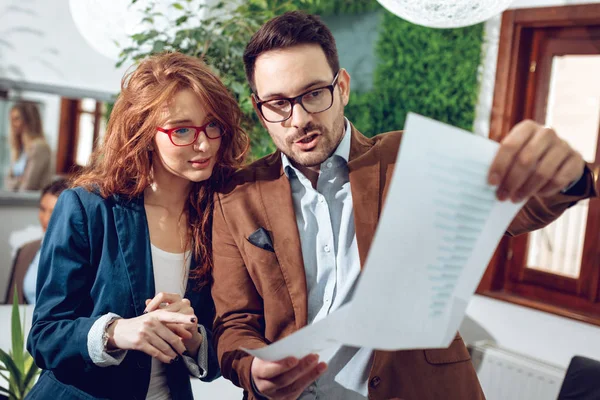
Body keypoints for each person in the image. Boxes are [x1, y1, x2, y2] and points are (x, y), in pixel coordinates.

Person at [210, 11, 599, 400]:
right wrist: (251, 369)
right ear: (259, 108)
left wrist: (565, 175)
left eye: (314, 93)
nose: (298, 119)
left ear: (342, 87)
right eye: (278, 103)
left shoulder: (414, 158)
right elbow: (235, 322)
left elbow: (520, 207)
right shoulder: (236, 197)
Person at [26, 52, 249, 400]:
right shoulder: (89, 207)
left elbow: (226, 336)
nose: (204, 143)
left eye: (213, 125)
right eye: (182, 130)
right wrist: (115, 331)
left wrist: (194, 339)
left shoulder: (218, 216)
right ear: (143, 133)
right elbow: (44, 335)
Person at [6, 178, 68, 305]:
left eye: (54, 212)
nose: (45, 218)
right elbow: (12, 303)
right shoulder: (25, 251)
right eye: (42, 209)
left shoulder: (83, 256)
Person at [5, 101, 52, 191]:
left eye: (17, 119)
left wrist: (15, 182)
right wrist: (19, 180)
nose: (13, 124)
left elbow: (28, 186)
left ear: (29, 120)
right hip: (17, 200)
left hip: (30, 202)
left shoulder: (40, 147)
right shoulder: (19, 149)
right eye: (12, 119)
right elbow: (7, 181)